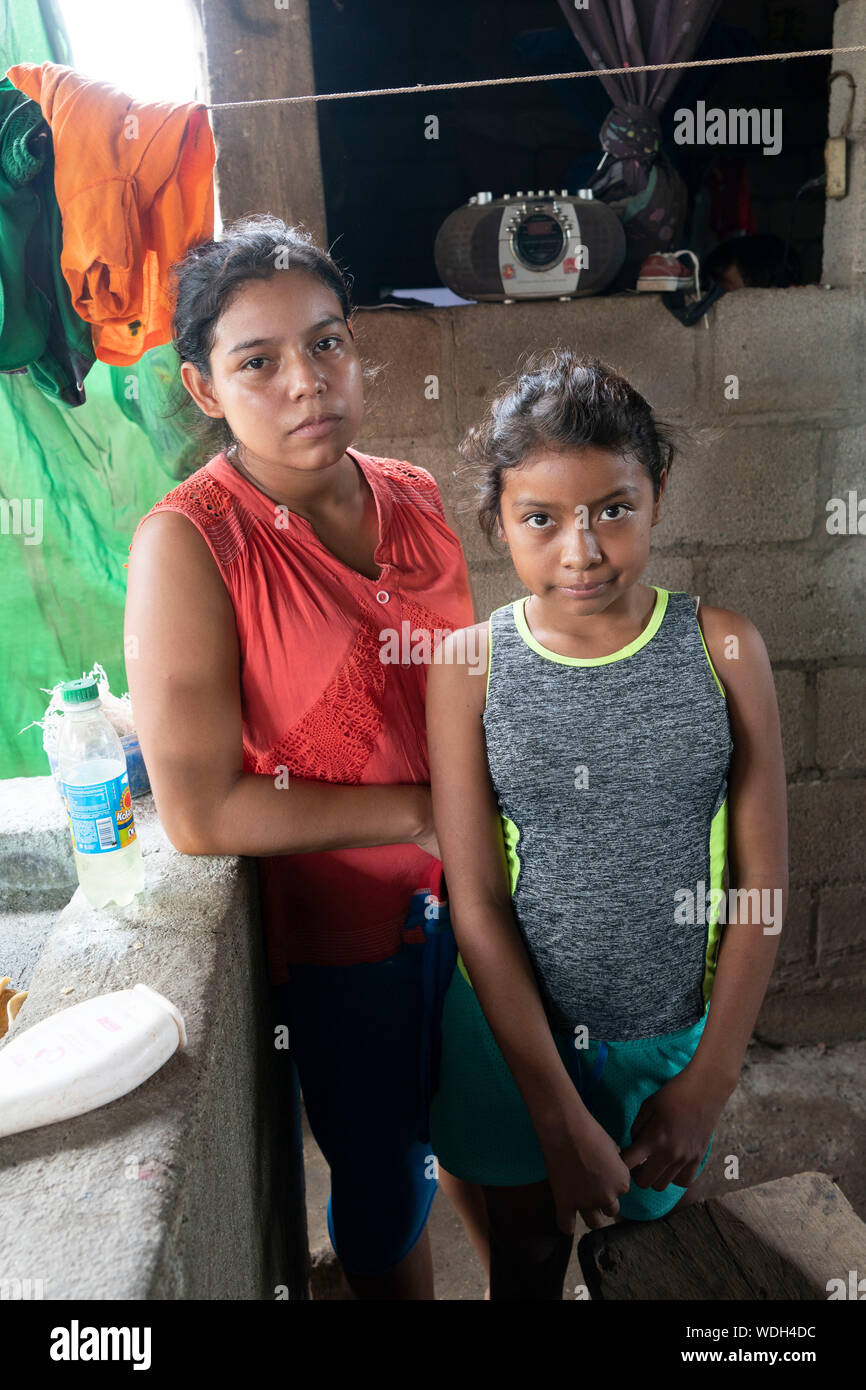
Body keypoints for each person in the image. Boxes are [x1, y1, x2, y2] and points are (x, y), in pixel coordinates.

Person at [124, 213, 490, 1299]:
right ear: (203, 388)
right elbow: (199, 813)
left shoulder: (415, 499)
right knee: (382, 1201)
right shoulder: (191, 544)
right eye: (258, 360)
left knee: (484, 1131)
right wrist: (419, 811)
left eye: (326, 342)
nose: (306, 381)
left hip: (472, 900)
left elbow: (456, 695)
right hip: (340, 948)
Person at [425, 349, 788, 1300]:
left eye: (612, 510)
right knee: (531, 1256)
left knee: (650, 1266)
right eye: (540, 520)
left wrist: (707, 1081)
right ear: (498, 521)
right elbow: (479, 909)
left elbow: (761, 892)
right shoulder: (472, 666)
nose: (581, 551)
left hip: (663, 1041)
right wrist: (552, 1116)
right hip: (512, 1043)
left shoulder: (725, 648)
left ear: (657, 492)